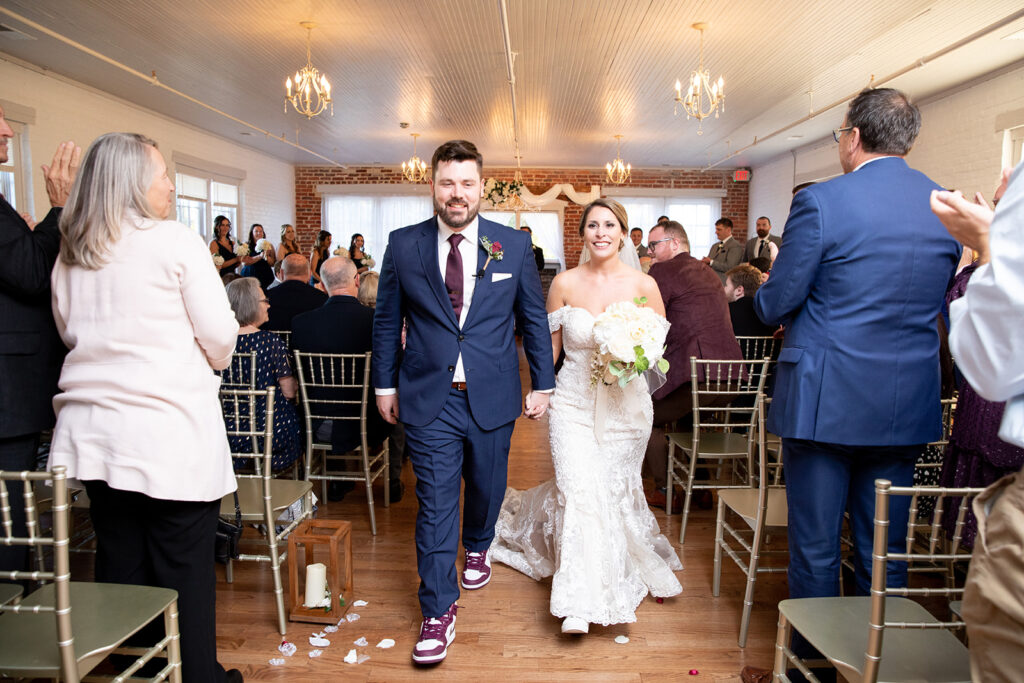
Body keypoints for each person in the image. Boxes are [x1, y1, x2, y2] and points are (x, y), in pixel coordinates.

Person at [743, 88, 960, 683]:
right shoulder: (944, 205)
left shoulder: (822, 202)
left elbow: (777, 301)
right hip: (903, 403)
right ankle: (878, 667)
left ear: (853, 138)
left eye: (839, 133)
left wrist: (770, 300)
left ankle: (812, 669)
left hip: (825, 399)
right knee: (881, 545)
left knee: (815, 545)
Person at [46, 132, 242, 683]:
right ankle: (198, 676)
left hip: (94, 439)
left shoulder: (72, 252)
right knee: (185, 576)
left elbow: (68, 333)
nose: (172, 186)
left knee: (122, 570)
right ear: (133, 185)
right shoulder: (174, 241)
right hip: (167, 436)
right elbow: (221, 336)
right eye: (163, 176)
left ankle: (140, 671)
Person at [372, 139, 555, 665]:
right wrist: (385, 385)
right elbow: (387, 320)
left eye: (467, 184)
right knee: (433, 505)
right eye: (447, 183)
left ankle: (478, 542)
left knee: (488, 485)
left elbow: (532, 320)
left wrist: (542, 382)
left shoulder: (511, 246)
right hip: (428, 397)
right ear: (432, 185)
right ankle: (438, 610)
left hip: (493, 393)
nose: (457, 194)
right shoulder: (403, 245)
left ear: (481, 187)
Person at [490, 198, 682, 635]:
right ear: (583, 234)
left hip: (626, 408)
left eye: (609, 225)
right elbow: (550, 350)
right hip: (574, 403)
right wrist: (541, 390)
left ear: (622, 232)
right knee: (579, 490)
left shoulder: (644, 286)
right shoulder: (564, 283)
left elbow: (655, 353)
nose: (600, 233)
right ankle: (577, 600)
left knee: (609, 492)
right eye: (592, 225)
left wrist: (628, 356)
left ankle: (612, 572)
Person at [931, 163, 1024, 681]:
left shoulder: (995, 261)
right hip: (981, 410)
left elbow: (987, 359)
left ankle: (968, 617)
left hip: (995, 411)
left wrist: (989, 250)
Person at [0, 105, 80, 581]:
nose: (8, 129)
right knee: (9, 520)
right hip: (7, 394)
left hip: (14, 390)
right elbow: (30, 274)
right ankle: (10, 620)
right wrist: (60, 210)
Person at [642, 220, 742, 510]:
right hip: (731, 374)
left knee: (647, 415)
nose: (650, 253)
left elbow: (651, 319)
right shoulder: (708, 271)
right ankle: (700, 490)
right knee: (688, 420)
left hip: (695, 373)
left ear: (674, 243)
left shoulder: (662, 270)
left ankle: (664, 489)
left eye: (654, 245)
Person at [292, 258, 398, 500]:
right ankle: (392, 484)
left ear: (323, 285)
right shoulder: (375, 322)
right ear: (357, 281)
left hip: (316, 424)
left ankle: (337, 482)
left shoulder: (301, 324)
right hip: (369, 424)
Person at [224, 277, 301, 471]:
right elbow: (289, 392)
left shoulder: (220, 341)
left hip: (225, 431)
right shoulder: (269, 342)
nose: (268, 305)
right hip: (267, 432)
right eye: (264, 300)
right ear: (251, 305)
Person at [262, 252, 327, 331]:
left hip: (273, 342)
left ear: (281, 273)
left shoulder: (265, 297)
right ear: (309, 275)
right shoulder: (322, 299)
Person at [724, 264, 777, 337]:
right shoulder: (771, 313)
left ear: (739, 290)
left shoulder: (725, 313)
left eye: (726, 285)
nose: (724, 289)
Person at [702, 217, 743, 283]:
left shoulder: (735, 246)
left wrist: (711, 262)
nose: (716, 232)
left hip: (724, 283)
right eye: (716, 229)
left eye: (719, 229)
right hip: (710, 281)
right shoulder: (714, 246)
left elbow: (731, 267)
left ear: (728, 230)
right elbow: (709, 263)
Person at [239, 223, 276, 291]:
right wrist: (260, 256)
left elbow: (272, 263)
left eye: (261, 231)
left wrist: (267, 255)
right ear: (252, 233)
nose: (259, 233)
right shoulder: (246, 245)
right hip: (250, 274)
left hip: (265, 275)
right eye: (256, 231)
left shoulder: (269, 245)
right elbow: (244, 262)